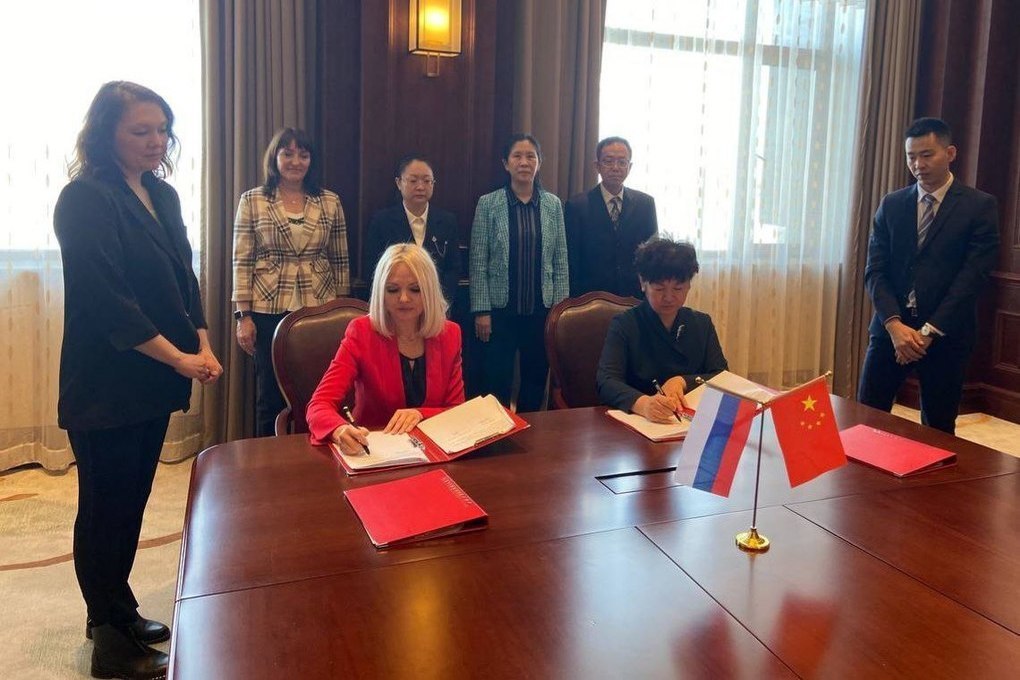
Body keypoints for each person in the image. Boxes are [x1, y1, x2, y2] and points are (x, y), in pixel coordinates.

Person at [54, 81, 221, 680]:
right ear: (106, 134)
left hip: (153, 377)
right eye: (140, 130)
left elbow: (183, 277)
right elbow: (109, 301)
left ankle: (118, 610)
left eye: (162, 129)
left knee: (131, 502)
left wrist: (201, 340)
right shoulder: (83, 198)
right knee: (104, 507)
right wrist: (179, 359)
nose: (156, 141)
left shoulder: (162, 194)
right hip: (105, 382)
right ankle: (107, 636)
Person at [859, 117, 999, 434]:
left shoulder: (979, 206)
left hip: (946, 334)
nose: (918, 165)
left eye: (926, 155)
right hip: (890, 331)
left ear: (950, 153)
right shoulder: (892, 204)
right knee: (867, 420)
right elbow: (875, 270)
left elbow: (972, 278)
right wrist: (894, 325)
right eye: (911, 156)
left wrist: (928, 331)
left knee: (938, 429)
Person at [232, 128, 350, 437]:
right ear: (274, 158)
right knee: (269, 394)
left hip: (319, 306)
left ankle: (314, 449)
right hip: (267, 306)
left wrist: (342, 311)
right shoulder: (253, 200)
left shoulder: (329, 201)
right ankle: (267, 457)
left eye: (303, 155)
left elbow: (340, 258)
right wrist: (243, 316)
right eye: (287, 154)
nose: (296, 161)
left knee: (318, 389)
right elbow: (242, 259)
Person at [306, 243, 465, 452]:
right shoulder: (361, 332)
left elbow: (457, 412)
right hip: (373, 451)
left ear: (430, 292)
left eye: (415, 289)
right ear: (381, 292)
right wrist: (339, 430)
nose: (404, 298)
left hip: (431, 451)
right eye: (393, 290)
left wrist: (421, 413)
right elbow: (319, 404)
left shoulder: (449, 334)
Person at [470, 133, 569, 412]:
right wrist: (482, 310)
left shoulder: (553, 205)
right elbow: (478, 260)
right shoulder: (488, 203)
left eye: (530, 156)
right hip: (500, 310)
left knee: (535, 378)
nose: (524, 162)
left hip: (542, 310)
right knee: (497, 379)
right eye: (517, 156)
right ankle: (498, 429)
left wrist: (560, 313)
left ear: (539, 163)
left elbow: (560, 261)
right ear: (506, 163)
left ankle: (531, 430)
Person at [597, 238, 727, 423]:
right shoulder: (625, 324)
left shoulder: (701, 323)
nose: (669, 297)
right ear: (643, 283)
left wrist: (682, 381)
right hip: (640, 423)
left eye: (678, 288)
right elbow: (607, 381)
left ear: (689, 285)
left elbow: (722, 377)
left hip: (689, 423)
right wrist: (643, 404)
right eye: (659, 289)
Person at [565, 136, 658, 298]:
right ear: (597, 166)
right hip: (590, 296)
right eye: (608, 161)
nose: (615, 168)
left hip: (634, 295)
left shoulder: (645, 204)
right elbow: (572, 258)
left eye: (622, 162)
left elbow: (652, 253)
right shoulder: (577, 206)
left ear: (629, 167)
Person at [364, 155, 460, 309]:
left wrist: (441, 303)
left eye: (427, 181)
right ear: (399, 183)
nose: (420, 187)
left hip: (437, 306)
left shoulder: (447, 221)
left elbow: (453, 269)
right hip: (396, 305)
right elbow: (372, 268)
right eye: (413, 181)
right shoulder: (382, 221)